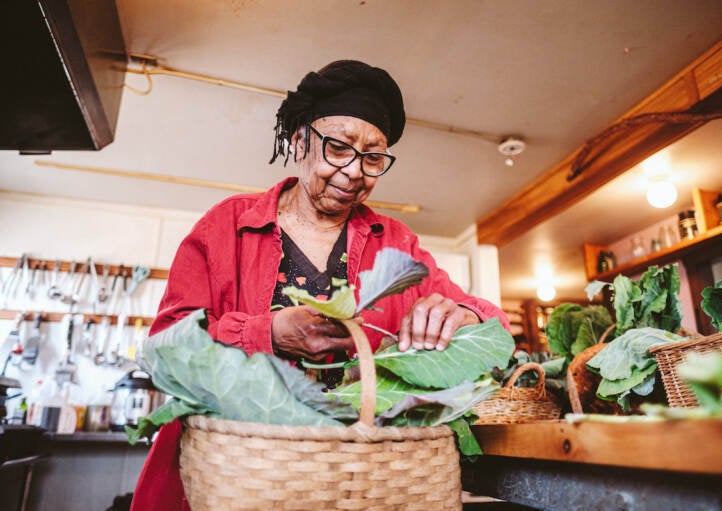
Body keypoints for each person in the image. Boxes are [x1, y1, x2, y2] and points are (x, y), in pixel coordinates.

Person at [130, 59, 510, 511]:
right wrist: (267, 333)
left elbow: (491, 323)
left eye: (373, 158)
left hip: (355, 485)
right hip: (233, 477)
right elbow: (165, 350)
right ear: (299, 141)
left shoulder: (396, 244)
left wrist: (465, 316)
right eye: (338, 147)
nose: (354, 172)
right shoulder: (227, 225)